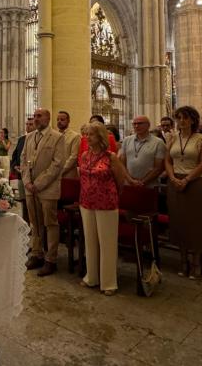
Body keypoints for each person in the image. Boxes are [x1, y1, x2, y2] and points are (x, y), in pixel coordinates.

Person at [79, 122, 137, 295]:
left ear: (100, 136)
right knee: (90, 241)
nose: (87, 137)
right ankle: (92, 277)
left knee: (107, 243)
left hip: (106, 203)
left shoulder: (111, 157)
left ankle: (109, 282)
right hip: (86, 202)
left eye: (91, 134)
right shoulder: (84, 156)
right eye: (86, 134)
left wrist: (110, 195)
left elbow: (120, 181)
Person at [164, 106, 202, 280]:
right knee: (178, 221)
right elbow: (167, 161)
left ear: (192, 120)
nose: (181, 121)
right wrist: (173, 178)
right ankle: (183, 260)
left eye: (184, 118)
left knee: (194, 222)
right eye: (178, 118)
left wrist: (187, 179)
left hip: (193, 182)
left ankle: (196, 261)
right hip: (174, 182)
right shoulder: (172, 138)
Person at [22, 108, 65, 277]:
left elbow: (57, 164)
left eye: (39, 116)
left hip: (47, 189)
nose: (36, 119)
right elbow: (23, 160)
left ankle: (51, 259)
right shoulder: (30, 137)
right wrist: (27, 181)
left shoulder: (57, 137)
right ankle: (37, 253)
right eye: (34, 116)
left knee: (50, 223)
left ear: (48, 117)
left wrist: (38, 184)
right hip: (30, 188)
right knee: (35, 223)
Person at [119, 115, 166, 187]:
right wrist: (130, 180)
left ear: (148, 125)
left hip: (149, 185)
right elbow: (122, 164)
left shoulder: (158, 142)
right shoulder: (126, 140)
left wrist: (142, 182)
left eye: (140, 123)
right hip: (128, 184)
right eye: (134, 124)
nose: (137, 126)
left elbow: (158, 168)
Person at [11, 117, 35, 201]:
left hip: (33, 177)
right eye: (27, 124)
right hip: (21, 175)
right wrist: (15, 166)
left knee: (32, 201)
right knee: (22, 199)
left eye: (31, 124)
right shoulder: (21, 139)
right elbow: (15, 155)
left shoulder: (38, 139)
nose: (28, 126)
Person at [57, 111, 81, 179]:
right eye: (58, 120)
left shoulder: (75, 136)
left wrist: (61, 171)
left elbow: (73, 157)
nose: (59, 121)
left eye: (62, 120)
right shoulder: (55, 135)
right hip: (55, 175)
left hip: (69, 174)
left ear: (68, 121)